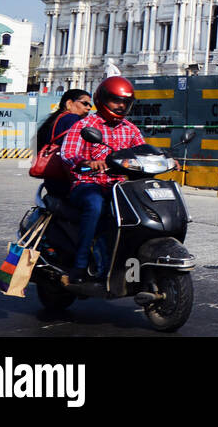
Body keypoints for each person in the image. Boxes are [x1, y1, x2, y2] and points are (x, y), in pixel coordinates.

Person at [58, 76, 145, 282]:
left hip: (120, 186)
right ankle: (80, 265)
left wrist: (167, 159)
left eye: (125, 102)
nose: (121, 106)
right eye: (116, 100)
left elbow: (143, 150)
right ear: (103, 100)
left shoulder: (130, 129)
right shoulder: (85, 125)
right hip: (89, 184)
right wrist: (86, 162)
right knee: (95, 206)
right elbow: (68, 153)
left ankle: (132, 265)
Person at [35, 89, 92, 196]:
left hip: (52, 178)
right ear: (69, 103)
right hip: (65, 178)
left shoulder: (55, 119)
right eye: (84, 103)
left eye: (90, 105)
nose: (88, 107)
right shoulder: (73, 118)